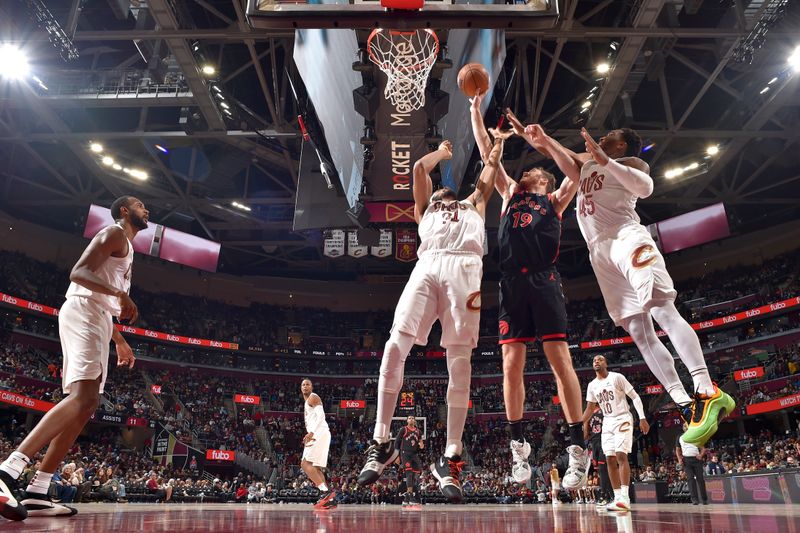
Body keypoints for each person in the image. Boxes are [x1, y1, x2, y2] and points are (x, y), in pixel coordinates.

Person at [524, 122, 736, 446]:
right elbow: (568, 160)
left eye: (611, 136)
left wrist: (605, 161)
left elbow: (646, 186)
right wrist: (545, 140)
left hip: (626, 236)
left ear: (622, 146)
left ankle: (707, 389)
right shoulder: (589, 165)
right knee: (638, 330)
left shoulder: (632, 164)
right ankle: (684, 403)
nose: (604, 136)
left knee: (661, 309)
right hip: (600, 253)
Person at [357, 134, 506, 503]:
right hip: (428, 267)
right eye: (438, 193)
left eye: (444, 192)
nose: (442, 193)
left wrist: (497, 147)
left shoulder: (474, 202)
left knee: (460, 362)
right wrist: (441, 153)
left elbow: (489, 172)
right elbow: (419, 168)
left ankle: (451, 456)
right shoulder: (425, 210)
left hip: (467, 271)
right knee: (394, 347)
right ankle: (381, 441)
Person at [0, 195, 145, 521]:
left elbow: (103, 299)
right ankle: (8, 470)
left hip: (98, 319)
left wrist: (120, 340)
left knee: (88, 403)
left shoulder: (128, 248)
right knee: (80, 398)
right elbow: (79, 273)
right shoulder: (113, 234)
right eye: (139, 204)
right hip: (84, 314)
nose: (145, 209)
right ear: (124, 211)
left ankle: (39, 488)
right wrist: (120, 293)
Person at [478, 104, 589, 489]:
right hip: (510, 283)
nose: (527, 176)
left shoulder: (555, 200)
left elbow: (577, 172)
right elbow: (484, 154)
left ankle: (578, 448)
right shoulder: (510, 193)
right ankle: (517, 447)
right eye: (525, 173)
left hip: (544, 280)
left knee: (560, 361)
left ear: (543, 181)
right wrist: (476, 110)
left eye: (533, 174)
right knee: (510, 365)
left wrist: (542, 142)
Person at [582, 355, 649, 512]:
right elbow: (590, 408)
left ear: (606, 363)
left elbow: (635, 397)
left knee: (620, 456)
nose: (596, 362)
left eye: (600, 359)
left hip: (623, 417)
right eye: (594, 361)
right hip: (608, 421)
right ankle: (617, 498)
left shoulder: (617, 377)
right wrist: (578, 424)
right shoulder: (592, 385)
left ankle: (625, 497)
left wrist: (642, 418)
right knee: (609, 459)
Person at [300, 379, 336, 510]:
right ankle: (329, 500)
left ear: (312, 386)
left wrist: (311, 432)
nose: (305, 386)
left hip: (318, 433)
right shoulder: (307, 401)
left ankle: (325, 492)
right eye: (303, 385)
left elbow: (321, 416)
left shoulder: (313, 397)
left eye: (307, 384)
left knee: (305, 464)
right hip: (320, 433)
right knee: (316, 468)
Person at [585, 405, 613, 506]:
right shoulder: (588, 414)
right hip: (594, 443)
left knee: (603, 469)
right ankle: (612, 496)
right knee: (601, 472)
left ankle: (603, 495)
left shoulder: (605, 410)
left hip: (604, 441)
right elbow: (585, 434)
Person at [395, 415, 424, 507]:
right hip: (405, 453)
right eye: (409, 418)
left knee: (415, 475)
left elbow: (420, 441)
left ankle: (407, 497)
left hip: (414, 454)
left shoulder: (418, 431)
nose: (411, 419)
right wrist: (397, 456)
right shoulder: (403, 430)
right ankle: (410, 496)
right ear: (407, 420)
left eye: (413, 418)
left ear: (415, 420)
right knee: (409, 474)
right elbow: (397, 442)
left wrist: (421, 444)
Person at [676, 428, 708, 505]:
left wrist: (701, 455)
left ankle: (704, 499)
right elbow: (677, 450)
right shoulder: (680, 437)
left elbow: (703, 448)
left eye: (687, 425)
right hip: (686, 460)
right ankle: (695, 500)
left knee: (700, 479)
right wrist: (679, 459)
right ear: (683, 428)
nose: (685, 427)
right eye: (684, 426)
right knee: (690, 479)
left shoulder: (695, 435)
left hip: (696, 460)